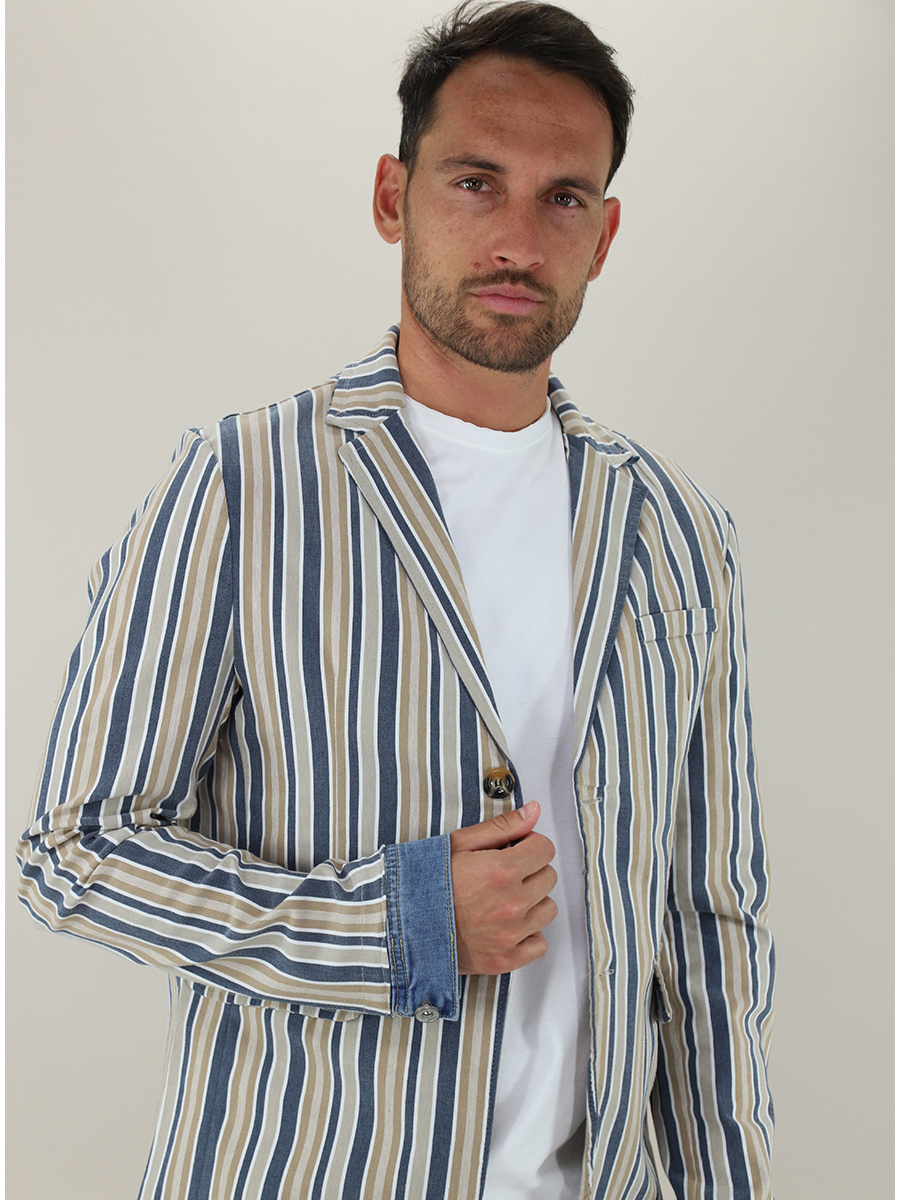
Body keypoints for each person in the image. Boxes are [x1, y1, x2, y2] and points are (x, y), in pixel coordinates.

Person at [17, 2, 774, 1197]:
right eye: (476, 182)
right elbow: (75, 851)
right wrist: (399, 924)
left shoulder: (677, 529)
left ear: (606, 233)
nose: (518, 238)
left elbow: (711, 919)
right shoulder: (240, 485)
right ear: (392, 196)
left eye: (563, 197)